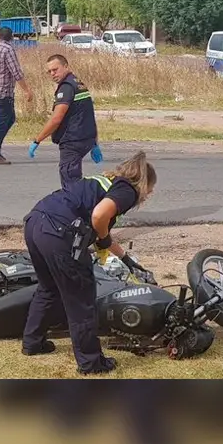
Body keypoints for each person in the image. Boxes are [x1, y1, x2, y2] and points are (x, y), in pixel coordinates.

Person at [20, 151, 157, 375]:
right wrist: (102, 238)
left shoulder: (104, 182)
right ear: (143, 183)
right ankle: (91, 363)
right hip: (59, 232)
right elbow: (98, 216)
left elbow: (103, 233)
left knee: (48, 287)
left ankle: (32, 342)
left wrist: (126, 259)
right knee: (81, 298)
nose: (149, 194)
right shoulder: (127, 190)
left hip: (36, 222)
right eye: (150, 189)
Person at [28, 54, 103, 191]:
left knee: (71, 185)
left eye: (55, 69)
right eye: (49, 71)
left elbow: (56, 119)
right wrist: (94, 143)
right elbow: (88, 114)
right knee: (74, 182)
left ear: (66, 66)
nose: (52, 74)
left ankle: (86, 210)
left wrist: (37, 140)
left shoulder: (67, 87)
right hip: (85, 138)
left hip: (72, 142)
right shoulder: (78, 83)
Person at [0, 27, 34, 165]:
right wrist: (27, 90)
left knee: (9, 119)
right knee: (1, 123)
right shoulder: (8, 50)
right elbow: (16, 72)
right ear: (11, 38)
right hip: (4, 93)